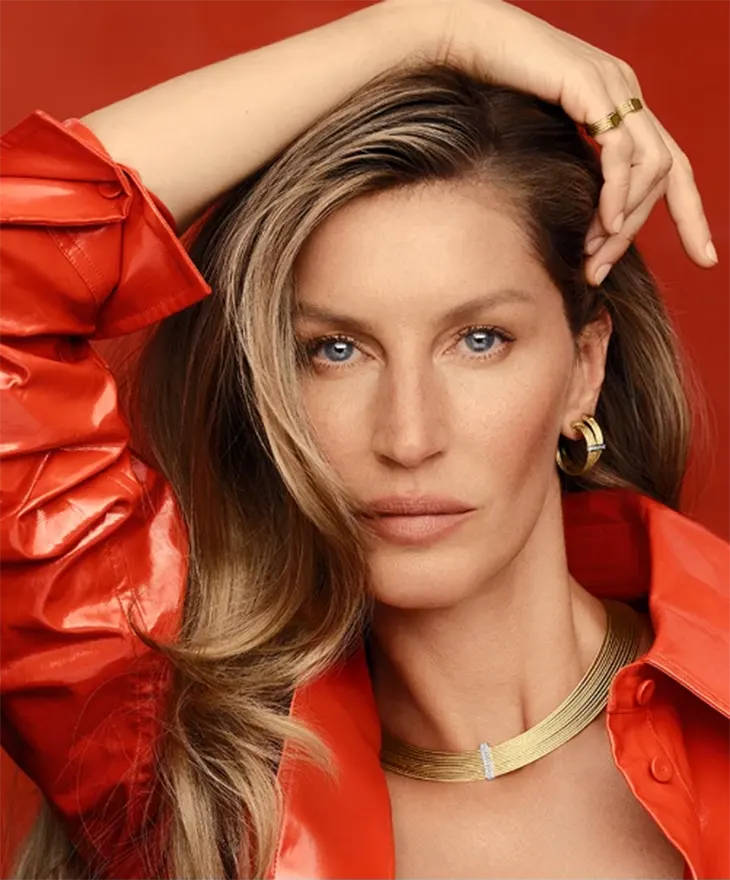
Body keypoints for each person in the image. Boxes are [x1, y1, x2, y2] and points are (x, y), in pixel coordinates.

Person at [0, 0, 725, 878]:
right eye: (335, 350)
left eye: (480, 340)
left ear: (583, 367)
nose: (408, 436)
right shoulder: (188, 771)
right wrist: (427, 30)